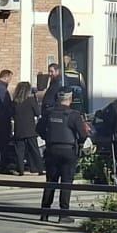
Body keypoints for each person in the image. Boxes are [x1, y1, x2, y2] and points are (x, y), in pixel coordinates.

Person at [38, 87, 89, 219]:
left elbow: (39, 129)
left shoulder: (49, 113)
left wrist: (48, 138)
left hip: (51, 150)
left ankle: (45, 213)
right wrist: (80, 142)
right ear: (70, 99)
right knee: (66, 183)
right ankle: (64, 214)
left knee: (50, 182)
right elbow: (83, 135)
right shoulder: (74, 115)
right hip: (68, 151)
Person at [11, 81, 41, 180]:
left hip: (19, 130)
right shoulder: (31, 100)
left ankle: (20, 169)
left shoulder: (15, 102)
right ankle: (39, 168)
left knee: (20, 151)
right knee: (34, 150)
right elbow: (37, 112)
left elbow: (12, 114)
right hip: (30, 130)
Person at [0, 70, 17, 174]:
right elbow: (5, 105)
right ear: (6, 77)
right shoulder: (1, 89)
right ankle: (1, 166)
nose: (10, 81)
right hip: (2, 121)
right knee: (2, 145)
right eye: (10, 78)